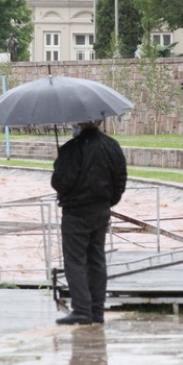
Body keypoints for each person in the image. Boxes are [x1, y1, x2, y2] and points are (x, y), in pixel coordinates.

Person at [51, 120, 127, 325]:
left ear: (78, 122)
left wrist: (59, 164)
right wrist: (108, 201)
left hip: (76, 212)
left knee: (75, 261)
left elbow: (60, 182)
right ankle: (97, 311)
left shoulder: (71, 148)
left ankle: (82, 311)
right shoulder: (112, 145)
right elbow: (121, 179)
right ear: (99, 120)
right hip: (101, 210)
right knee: (96, 260)